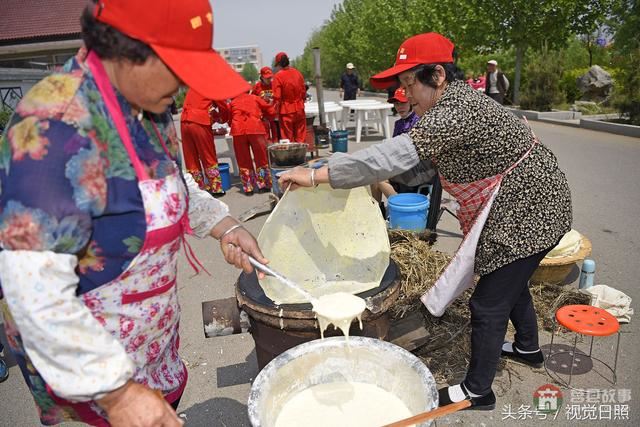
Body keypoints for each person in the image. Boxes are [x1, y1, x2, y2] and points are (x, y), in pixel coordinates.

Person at [0, 1, 268, 426]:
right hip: (92, 382)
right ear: (126, 50)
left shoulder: (149, 109)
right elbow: (34, 294)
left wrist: (226, 225)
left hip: (152, 350)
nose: (182, 85)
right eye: (176, 67)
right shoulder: (56, 130)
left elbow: (172, 183)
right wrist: (118, 394)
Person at [280, 32, 572, 411]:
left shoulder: (457, 108)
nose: (406, 95)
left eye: (409, 84)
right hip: (529, 200)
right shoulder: (446, 109)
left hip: (530, 207)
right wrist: (362, 179)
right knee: (509, 280)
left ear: (436, 75)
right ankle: (528, 347)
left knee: (488, 303)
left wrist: (321, 175)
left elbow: (397, 155)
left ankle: (478, 390)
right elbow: (419, 170)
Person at [371, 87, 436, 210]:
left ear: (411, 102)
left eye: (403, 103)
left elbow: (412, 151)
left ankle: (402, 208)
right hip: (407, 165)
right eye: (396, 103)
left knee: (378, 177)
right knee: (374, 171)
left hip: (421, 170)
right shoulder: (399, 123)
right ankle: (378, 210)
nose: (399, 107)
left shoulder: (419, 120)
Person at [181, 88, 226, 196]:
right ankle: (216, 188)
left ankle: (197, 190)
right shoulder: (211, 88)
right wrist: (223, 119)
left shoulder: (193, 88)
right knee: (208, 155)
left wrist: (214, 116)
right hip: (199, 121)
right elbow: (223, 106)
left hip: (184, 121)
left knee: (191, 157)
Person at [229, 92, 275, 194]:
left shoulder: (233, 102)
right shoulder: (255, 98)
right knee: (261, 157)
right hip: (255, 128)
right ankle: (264, 185)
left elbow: (228, 119)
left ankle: (248, 187)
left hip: (238, 130)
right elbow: (271, 111)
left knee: (243, 159)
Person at [272, 52, 306, 142]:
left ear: (279, 64)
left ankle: (291, 156)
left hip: (286, 110)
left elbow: (277, 96)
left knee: (288, 137)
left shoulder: (278, 76)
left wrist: (274, 110)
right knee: (300, 135)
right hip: (299, 108)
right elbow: (303, 91)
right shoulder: (297, 73)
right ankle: (301, 155)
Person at [251, 66, 278, 142]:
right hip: (263, 116)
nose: (269, 80)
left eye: (270, 78)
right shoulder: (257, 87)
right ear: (262, 77)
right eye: (267, 78)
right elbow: (253, 101)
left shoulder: (274, 85)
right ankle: (267, 152)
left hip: (274, 115)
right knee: (266, 138)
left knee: (276, 137)